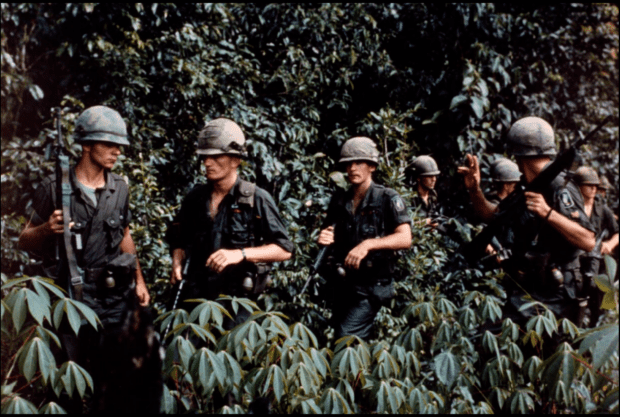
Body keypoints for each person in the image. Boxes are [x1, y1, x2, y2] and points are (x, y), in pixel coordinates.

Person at [18, 105, 152, 411]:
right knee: (70, 381)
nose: (117, 151)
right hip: (69, 297)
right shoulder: (54, 188)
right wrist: (45, 229)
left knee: (115, 381)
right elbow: (24, 239)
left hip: (113, 297)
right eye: (109, 144)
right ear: (86, 145)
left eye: (119, 145)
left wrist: (139, 281)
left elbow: (125, 237)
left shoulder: (119, 188)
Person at [458, 116, 596, 331]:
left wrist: (547, 212)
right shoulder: (527, 187)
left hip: (556, 293)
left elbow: (588, 240)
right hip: (529, 288)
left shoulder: (561, 188)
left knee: (493, 340)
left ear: (519, 156)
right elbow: (495, 216)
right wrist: (474, 189)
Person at [166, 118, 293, 329]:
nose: (207, 163)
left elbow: (284, 249)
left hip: (237, 304)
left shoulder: (256, 198)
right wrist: (177, 261)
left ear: (235, 160)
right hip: (196, 299)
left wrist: (240, 254)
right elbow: (178, 236)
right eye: (205, 157)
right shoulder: (195, 198)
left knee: (231, 358)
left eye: (216, 157)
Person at [317, 137, 411, 340]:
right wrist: (324, 237)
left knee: (346, 337)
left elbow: (405, 238)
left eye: (358, 162)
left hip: (372, 287)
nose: (352, 168)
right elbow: (329, 232)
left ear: (371, 166)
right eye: (348, 164)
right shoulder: (340, 200)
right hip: (343, 285)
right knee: (338, 337)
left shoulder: (387, 197)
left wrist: (368, 244)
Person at [573, 166, 619, 326]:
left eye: (595, 186)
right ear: (578, 187)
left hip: (596, 262)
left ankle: (595, 331)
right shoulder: (569, 206)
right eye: (589, 185)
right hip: (574, 261)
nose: (594, 189)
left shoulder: (602, 209)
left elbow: (617, 232)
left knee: (598, 302)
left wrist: (609, 244)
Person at [409, 155, 441, 227]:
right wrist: (425, 222)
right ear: (418, 178)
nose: (434, 179)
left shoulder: (433, 195)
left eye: (435, 176)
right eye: (429, 176)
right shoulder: (410, 198)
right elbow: (406, 226)